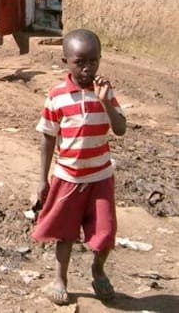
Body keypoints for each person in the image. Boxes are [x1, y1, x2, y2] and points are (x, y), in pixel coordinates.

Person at [32, 29, 126, 306]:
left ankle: (98, 269)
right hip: (68, 176)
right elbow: (48, 137)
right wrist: (42, 179)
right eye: (80, 62)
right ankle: (59, 278)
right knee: (65, 232)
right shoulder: (58, 96)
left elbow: (120, 129)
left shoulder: (105, 94)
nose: (88, 68)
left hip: (100, 176)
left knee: (105, 231)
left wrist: (106, 101)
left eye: (93, 61)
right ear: (65, 62)